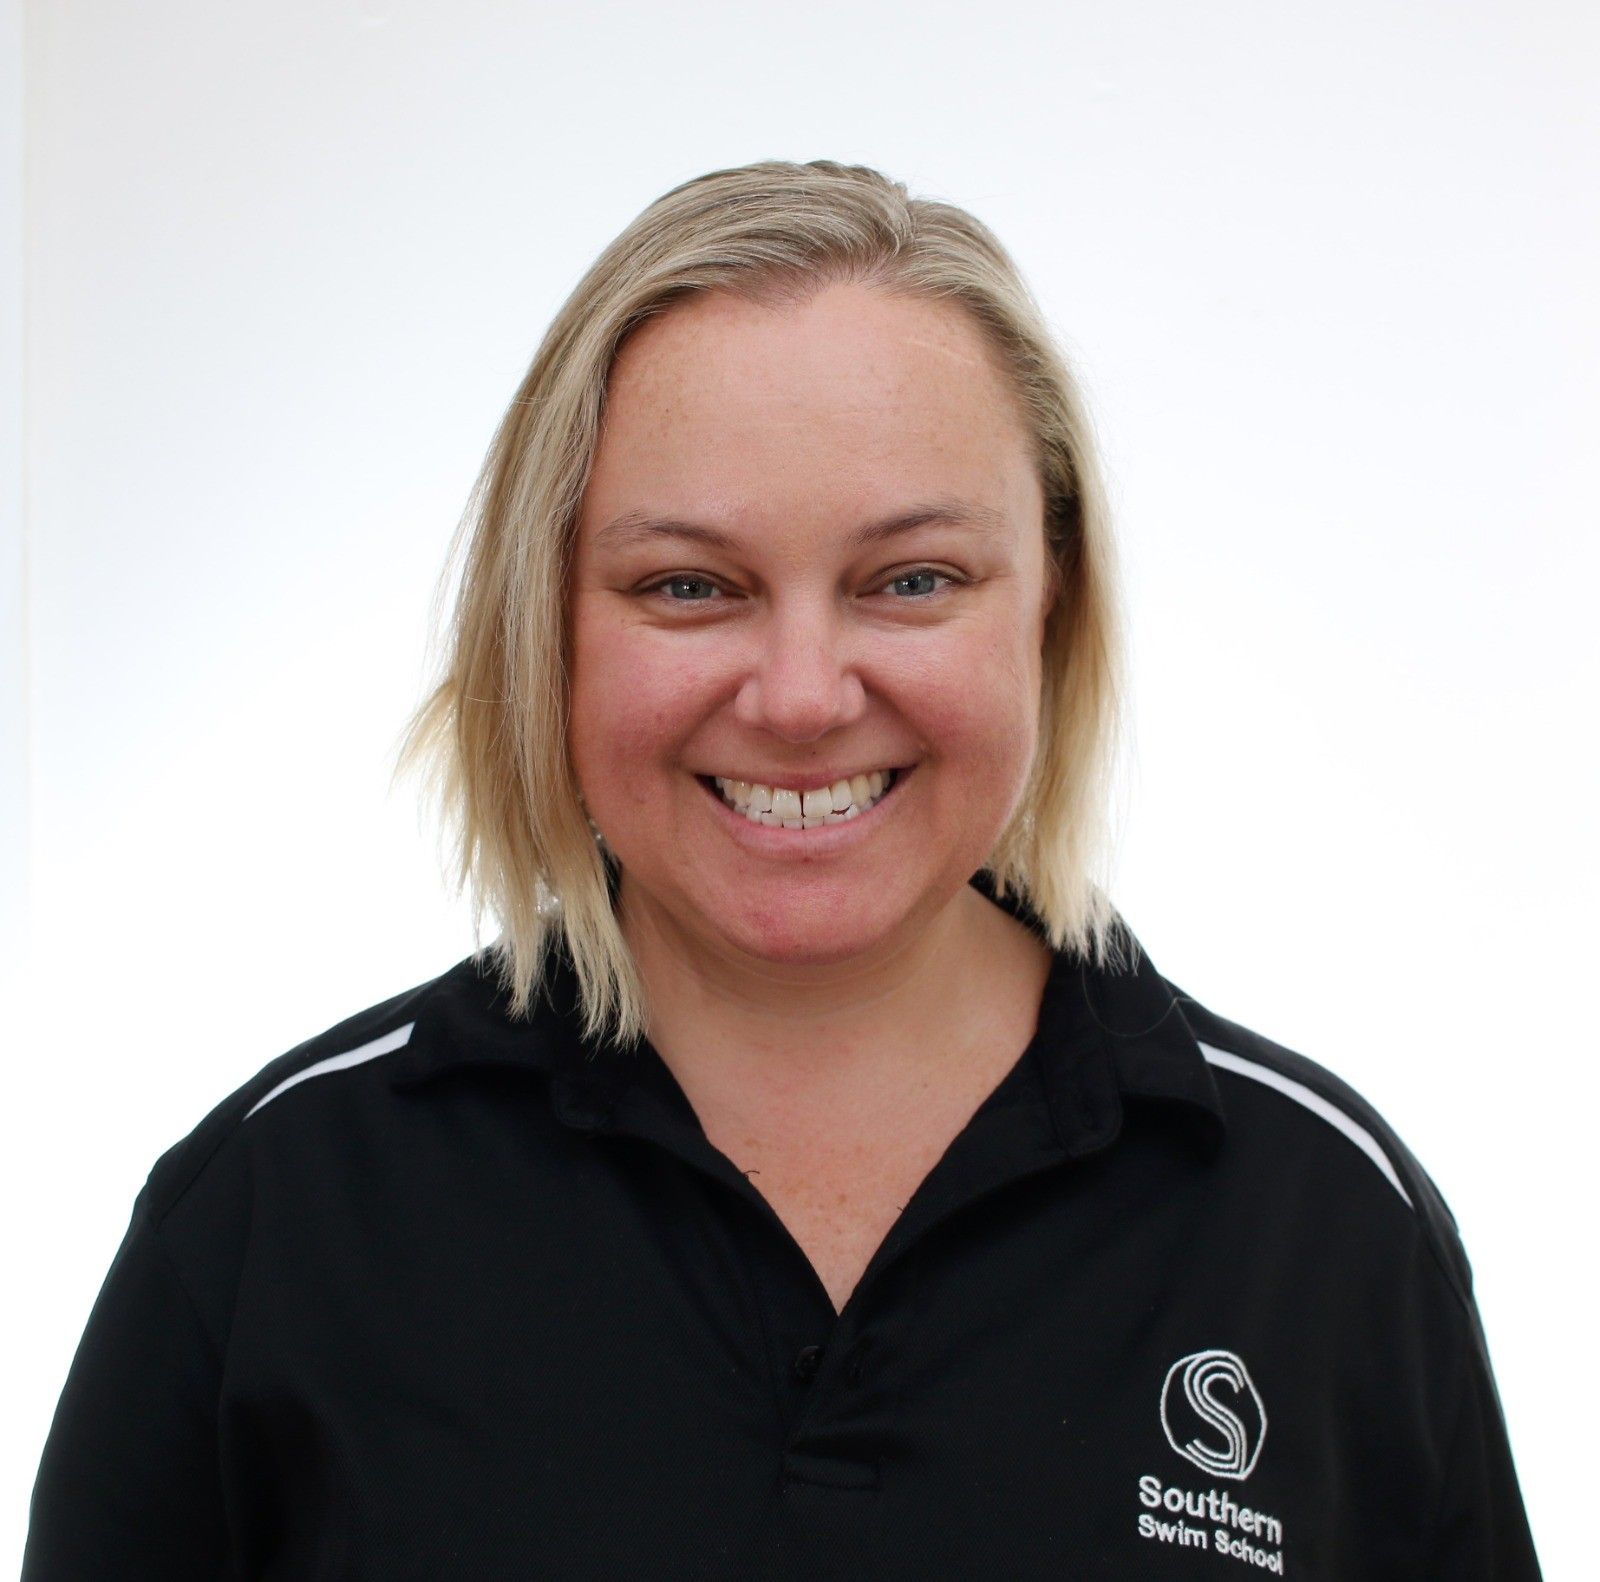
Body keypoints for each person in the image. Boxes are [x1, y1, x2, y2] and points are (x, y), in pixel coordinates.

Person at [22, 160, 1542, 1579]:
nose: (804, 693)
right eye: (689, 584)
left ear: (1051, 605)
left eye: (912, 580)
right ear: (545, 622)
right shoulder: (272, 1224)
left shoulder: (1325, 1232)